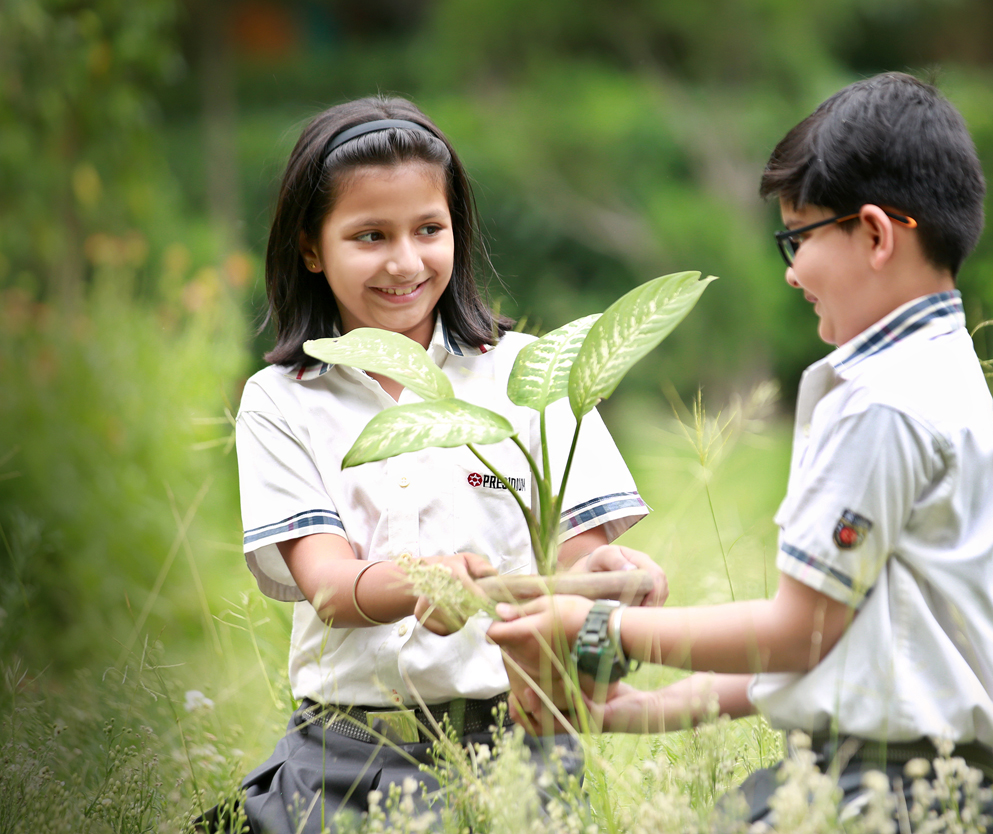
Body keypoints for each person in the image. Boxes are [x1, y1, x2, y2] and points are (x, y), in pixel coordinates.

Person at [487, 72, 993, 831]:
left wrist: (598, 631)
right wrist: (647, 710)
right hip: (913, 780)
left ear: (874, 234)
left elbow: (800, 631)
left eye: (798, 238)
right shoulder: (940, 368)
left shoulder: (883, 403)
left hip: (877, 794)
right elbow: (842, 646)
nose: (791, 271)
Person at [212, 96, 665, 834]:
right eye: (369, 235)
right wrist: (426, 579)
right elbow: (327, 588)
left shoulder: (531, 376)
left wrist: (617, 584)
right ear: (310, 247)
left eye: (430, 229)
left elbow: (580, 565)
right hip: (343, 761)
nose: (405, 261)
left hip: (522, 751)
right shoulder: (282, 401)